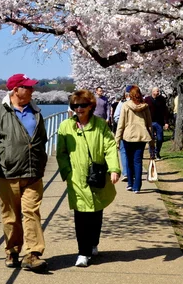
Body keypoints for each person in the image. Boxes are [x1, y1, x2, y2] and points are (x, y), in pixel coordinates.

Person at [0, 73, 49, 272]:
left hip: (33, 172)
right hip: (7, 173)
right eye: (28, 87)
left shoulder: (35, 110)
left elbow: (42, 137)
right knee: (11, 216)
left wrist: (42, 159)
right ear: (15, 90)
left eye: (32, 87)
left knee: (31, 212)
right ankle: (12, 250)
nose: (32, 90)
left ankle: (33, 254)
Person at [56, 89, 121, 268]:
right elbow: (61, 153)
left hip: (98, 175)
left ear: (91, 106)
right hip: (76, 177)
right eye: (75, 106)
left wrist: (114, 168)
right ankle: (82, 253)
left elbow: (109, 146)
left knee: (96, 213)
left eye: (83, 105)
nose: (79, 109)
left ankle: (93, 243)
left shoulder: (100, 125)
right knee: (81, 215)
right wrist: (67, 172)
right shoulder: (65, 126)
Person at [115, 85, 153, 194]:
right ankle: (137, 186)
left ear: (130, 95)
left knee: (129, 160)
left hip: (128, 136)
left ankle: (130, 184)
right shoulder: (145, 106)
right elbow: (149, 124)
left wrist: (117, 139)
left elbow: (121, 123)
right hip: (141, 136)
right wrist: (152, 141)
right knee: (138, 161)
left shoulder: (126, 106)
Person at [113, 86, 133, 181]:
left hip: (130, 131)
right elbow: (116, 116)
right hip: (126, 131)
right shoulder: (122, 103)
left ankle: (129, 172)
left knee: (128, 151)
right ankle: (127, 172)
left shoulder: (139, 104)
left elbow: (116, 116)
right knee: (125, 151)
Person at [144, 87, 170, 160]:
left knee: (160, 138)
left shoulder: (162, 99)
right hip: (150, 122)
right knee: (151, 139)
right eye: (156, 91)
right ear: (153, 92)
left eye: (158, 91)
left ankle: (157, 152)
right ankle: (152, 153)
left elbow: (165, 111)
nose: (158, 92)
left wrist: (166, 122)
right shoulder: (147, 99)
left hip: (159, 122)